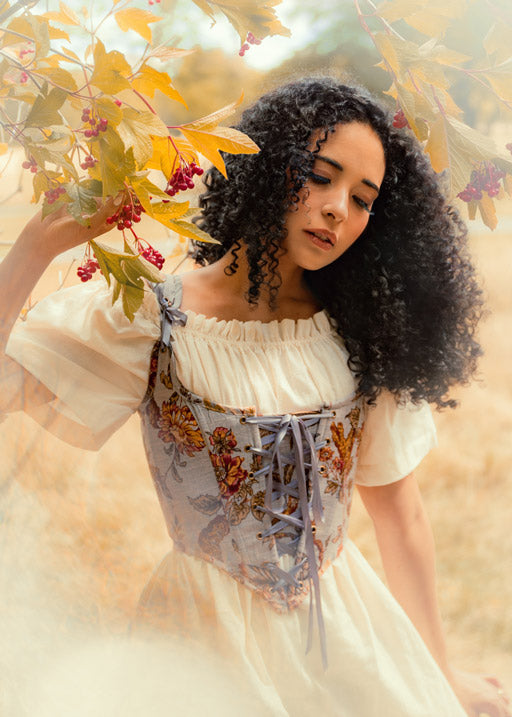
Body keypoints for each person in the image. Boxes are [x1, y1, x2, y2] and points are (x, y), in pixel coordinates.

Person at [0, 77, 509, 717]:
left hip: (343, 637)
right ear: (270, 165)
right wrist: (32, 249)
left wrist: (441, 675)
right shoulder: (154, 321)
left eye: (362, 199)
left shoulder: (359, 334)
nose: (338, 210)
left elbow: (400, 519)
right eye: (322, 177)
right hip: (198, 640)